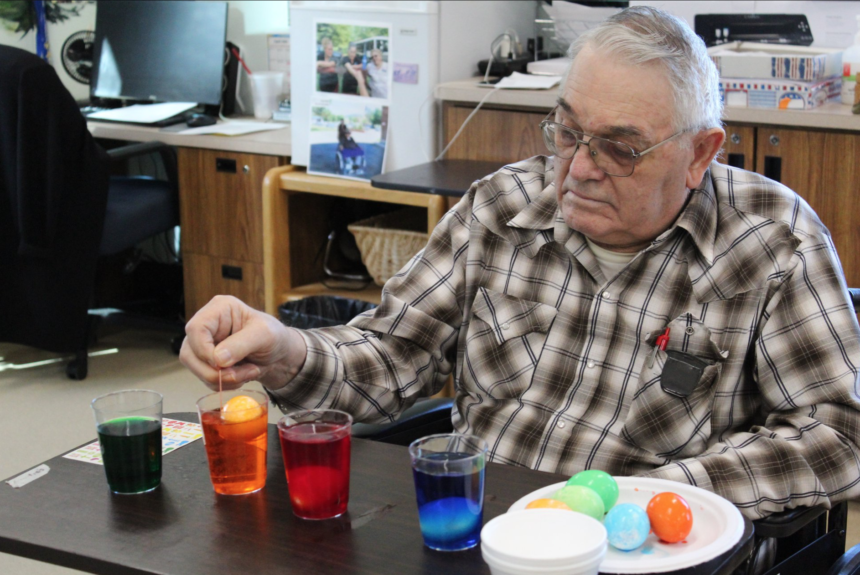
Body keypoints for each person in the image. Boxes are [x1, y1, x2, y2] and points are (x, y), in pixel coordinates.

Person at [181, 6, 860, 520]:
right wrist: (282, 348)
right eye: (568, 132)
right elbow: (392, 356)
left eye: (620, 147)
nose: (580, 169)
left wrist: (665, 494)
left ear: (701, 153)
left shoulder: (773, 242)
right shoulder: (502, 205)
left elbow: (839, 437)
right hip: (476, 530)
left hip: (638, 546)